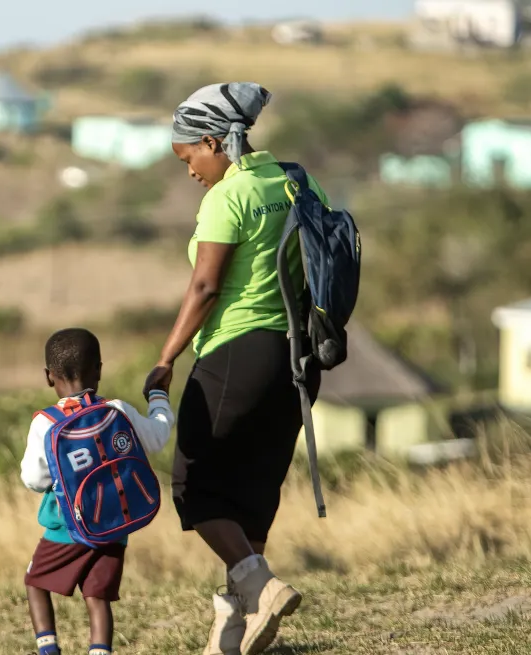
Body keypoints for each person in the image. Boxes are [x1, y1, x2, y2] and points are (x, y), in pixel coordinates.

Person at [142, 82, 326, 655]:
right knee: (252, 492)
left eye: (189, 158)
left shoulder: (230, 196)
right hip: (298, 359)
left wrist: (166, 358)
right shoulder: (296, 182)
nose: (190, 172)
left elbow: (205, 286)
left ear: (212, 141)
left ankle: (262, 588)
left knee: (193, 487)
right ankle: (239, 630)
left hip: (236, 354)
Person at [20, 327, 175, 655]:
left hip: (65, 529)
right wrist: (159, 397)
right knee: (98, 596)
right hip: (114, 525)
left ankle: (48, 648)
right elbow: (158, 436)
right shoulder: (118, 411)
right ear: (99, 370)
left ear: (49, 377)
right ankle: (100, 650)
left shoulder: (45, 423)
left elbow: (33, 479)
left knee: (35, 583)